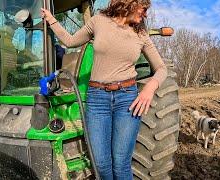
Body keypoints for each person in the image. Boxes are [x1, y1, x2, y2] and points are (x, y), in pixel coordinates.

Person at [41, 0, 167, 179]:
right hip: (97, 99)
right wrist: (52, 20)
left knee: (121, 162)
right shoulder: (98, 21)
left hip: (127, 100)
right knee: (100, 163)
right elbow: (70, 41)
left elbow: (161, 68)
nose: (146, 14)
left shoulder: (141, 33)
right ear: (130, 2)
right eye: (144, 8)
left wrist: (150, 88)